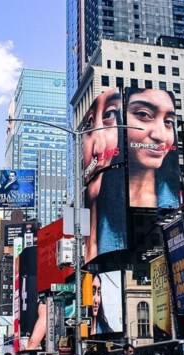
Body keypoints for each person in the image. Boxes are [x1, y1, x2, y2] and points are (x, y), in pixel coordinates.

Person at [81, 88, 126, 262]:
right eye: (90, 122)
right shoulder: (82, 236)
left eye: (109, 115)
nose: (98, 148)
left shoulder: (116, 236)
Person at [125, 88, 179, 209]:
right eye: (144, 115)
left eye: (168, 121)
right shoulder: (100, 203)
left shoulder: (175, 200)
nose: (161, 136)